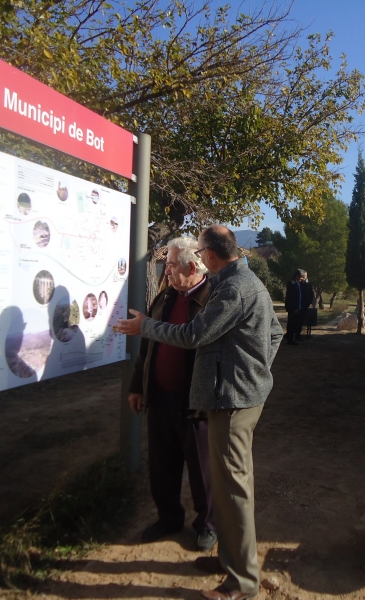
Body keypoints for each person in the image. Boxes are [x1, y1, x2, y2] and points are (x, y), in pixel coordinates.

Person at [117, 225, 283, 600]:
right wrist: (257, 370)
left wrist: (145, 326)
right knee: (228, 491)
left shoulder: (233, 289)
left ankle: (241, 583)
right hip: (236, 398)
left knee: (232, 491)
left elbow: (193, 335)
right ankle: (233, 561)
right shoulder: (244, 282)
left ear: (207, 255)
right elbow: (275, 334)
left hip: (230, 403)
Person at [127, 237, 216, 550]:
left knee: (203, 469)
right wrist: (138, 386)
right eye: (166, 264)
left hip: (196, 403)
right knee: (161, 465)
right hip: (161, 397)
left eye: (171, 265)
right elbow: (147, 347)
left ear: (192, 267)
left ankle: (207, 524)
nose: (166, 271)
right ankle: (168, 517)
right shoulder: (164, 298)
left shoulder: (212, 299)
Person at [284, 269, 304, 345]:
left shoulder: (297, 283)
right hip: (293, 307)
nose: (301, 278)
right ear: (297, 276)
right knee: (292, 323)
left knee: (296, 322)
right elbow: (291, 297)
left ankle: (290, 336)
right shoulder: (292, 283)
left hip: (298, 307)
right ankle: (290, 338)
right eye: (300, 277)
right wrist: (294, 307)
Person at [296, 271, 315, 341]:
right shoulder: (298, 283)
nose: (303, 278)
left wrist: (308, 302)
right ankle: (295, 334)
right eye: (302, 276)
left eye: (304, 276)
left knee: (301, 321)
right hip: (298, 305)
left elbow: (311, 295)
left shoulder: (309, 284)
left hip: (304, 305)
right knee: (296, 321)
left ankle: (298, 334)